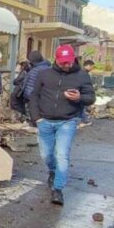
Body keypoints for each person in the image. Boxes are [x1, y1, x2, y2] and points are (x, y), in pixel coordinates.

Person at [30, 44, 96, 205]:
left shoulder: (82, 75)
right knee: (46, 154)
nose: (66, 65)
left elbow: (91, 98)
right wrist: (36, 117)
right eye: (62, 62)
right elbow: (34, 96)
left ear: (73, 59)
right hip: (44, 120)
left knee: (62, 155)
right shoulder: (44, 74)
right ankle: (53, 171)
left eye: (68, 62)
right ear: (56, 60)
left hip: (68, 121)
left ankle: (58, 189)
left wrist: (79, 97)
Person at [22, 50, 51, 123]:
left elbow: (29, 85)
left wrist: (27, 96)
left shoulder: (35, 70)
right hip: (44, 98)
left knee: (35, 117)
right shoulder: (48, 68)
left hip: (34, 97)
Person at [78, 59, 96, 127]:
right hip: (82, 93)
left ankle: (83, 120)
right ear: (88, 65)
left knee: (80, 108)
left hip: (80, 93)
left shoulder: (81, 72)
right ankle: (83, 120)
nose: (92, 68)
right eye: (92, 67)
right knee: (80, 107)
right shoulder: (84, 73)